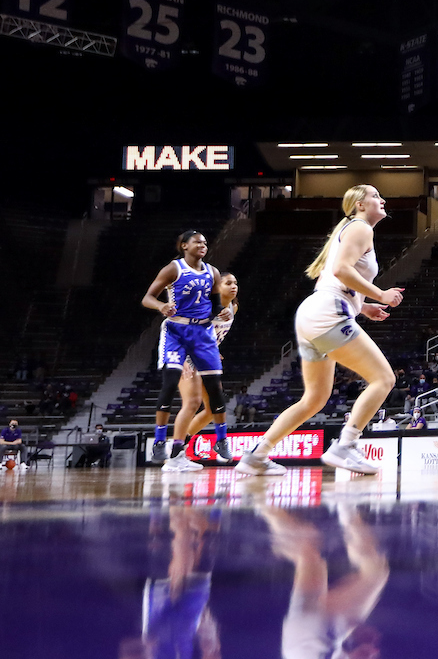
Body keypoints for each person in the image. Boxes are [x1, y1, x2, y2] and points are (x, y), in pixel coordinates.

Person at [238, 185, 404, 476]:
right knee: (383, 378)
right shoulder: (361, 228)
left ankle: (257, 455)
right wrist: (380, 294)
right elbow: (341, 270)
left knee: (314, 399)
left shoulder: (352, 228)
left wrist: (363, 307)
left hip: (314, 313)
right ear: (360, 204)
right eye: (377, 195)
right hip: (327, 312)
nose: (383, 199)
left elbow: (336, 278)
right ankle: (346, 444)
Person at [261, 506, 389, 659]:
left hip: (314, 645)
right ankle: (261, 500)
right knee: (308, 551)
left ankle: (346, 505)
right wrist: (351, 645)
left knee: (376, 574)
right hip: (302, 649)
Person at [118, 508, 222, 659]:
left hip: (159, 618)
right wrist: (210, 643)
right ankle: (216, 507)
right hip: (186, 619)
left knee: (167, 551)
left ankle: (158, 510)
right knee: (206, 561)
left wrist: (143, 648)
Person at [141, 230, 234, 472]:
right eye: (197, 242)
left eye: (205, 242)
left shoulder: (213, 273)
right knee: (179, 392)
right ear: (184, 246)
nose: (203, 245)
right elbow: (147, 298)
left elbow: (213, 307)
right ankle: (163, 444)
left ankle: (218, 441)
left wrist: (219, 312)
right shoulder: (174, 269)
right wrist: (162, 305)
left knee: (214, 394)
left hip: (201, 335)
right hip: (177, 331)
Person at [173, 273, 240, 458]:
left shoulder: (233, 307)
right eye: (228, 283)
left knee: (213, 408)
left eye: (235, 283)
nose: (234, 286)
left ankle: (179, 450)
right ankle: (173, 457)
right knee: (192, 403)